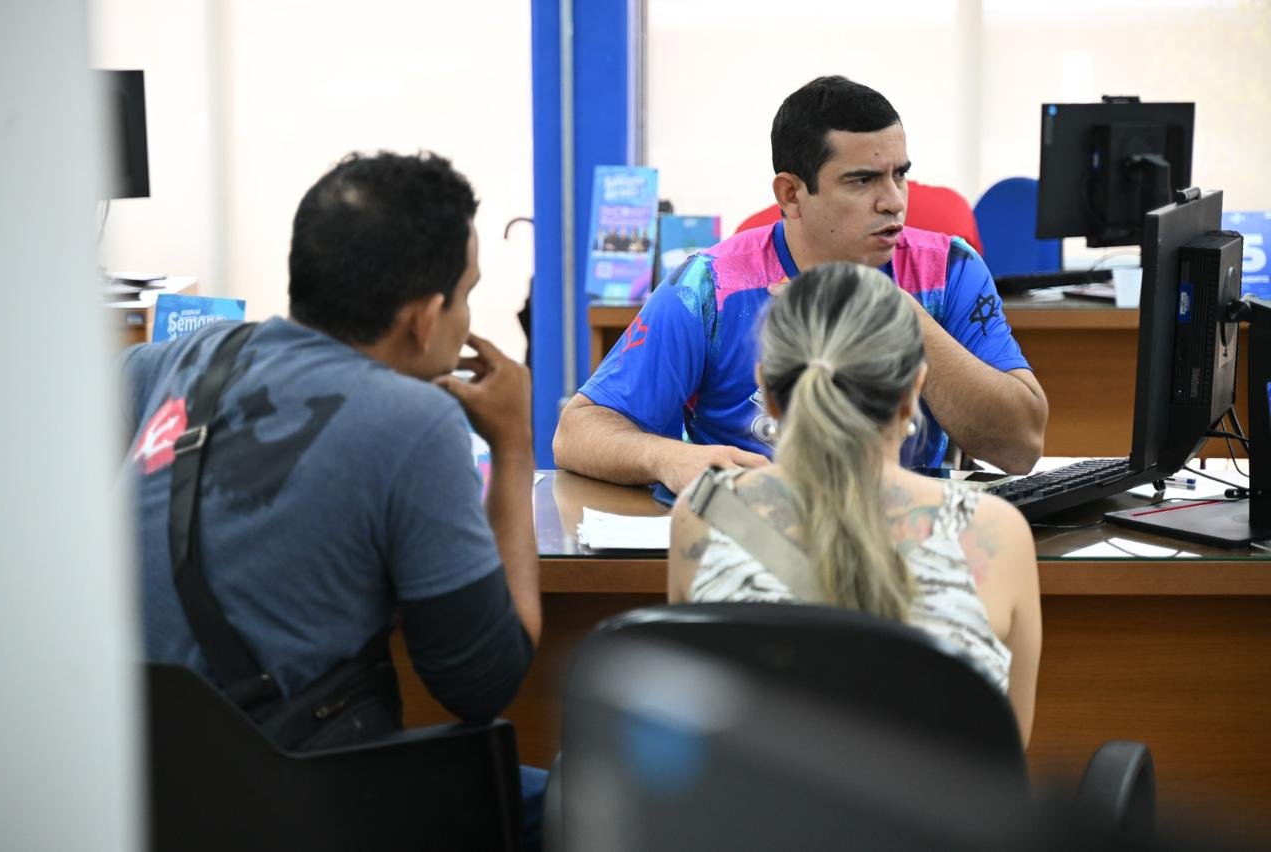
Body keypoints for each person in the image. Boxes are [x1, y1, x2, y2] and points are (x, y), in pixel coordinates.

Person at [119, 151, 545, 845]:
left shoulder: (180, 359)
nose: (468, 318)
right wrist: (515, 447)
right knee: (575, 800)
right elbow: (484, 682)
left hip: (133, 790)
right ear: (424, 318)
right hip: (291, 799)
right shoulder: (415, 422)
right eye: (467, 293)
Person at [554, 76, 1048, 497]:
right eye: (862, 181)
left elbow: (1021, 446)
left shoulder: (951, 270)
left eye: (900, 175)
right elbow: (577, 431)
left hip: (914, 533)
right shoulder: (710, 287)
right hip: (762, 538)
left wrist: (900, 316)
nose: (894, 201)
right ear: (791, 194)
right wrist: (667, 458)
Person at [667, 262, 1042, 742]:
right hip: (934, 819)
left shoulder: (703, 516)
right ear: (913, 392)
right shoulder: (996, 533)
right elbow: (1010, 752)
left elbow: (696, 734)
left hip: (754, 817)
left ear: (768, 390)